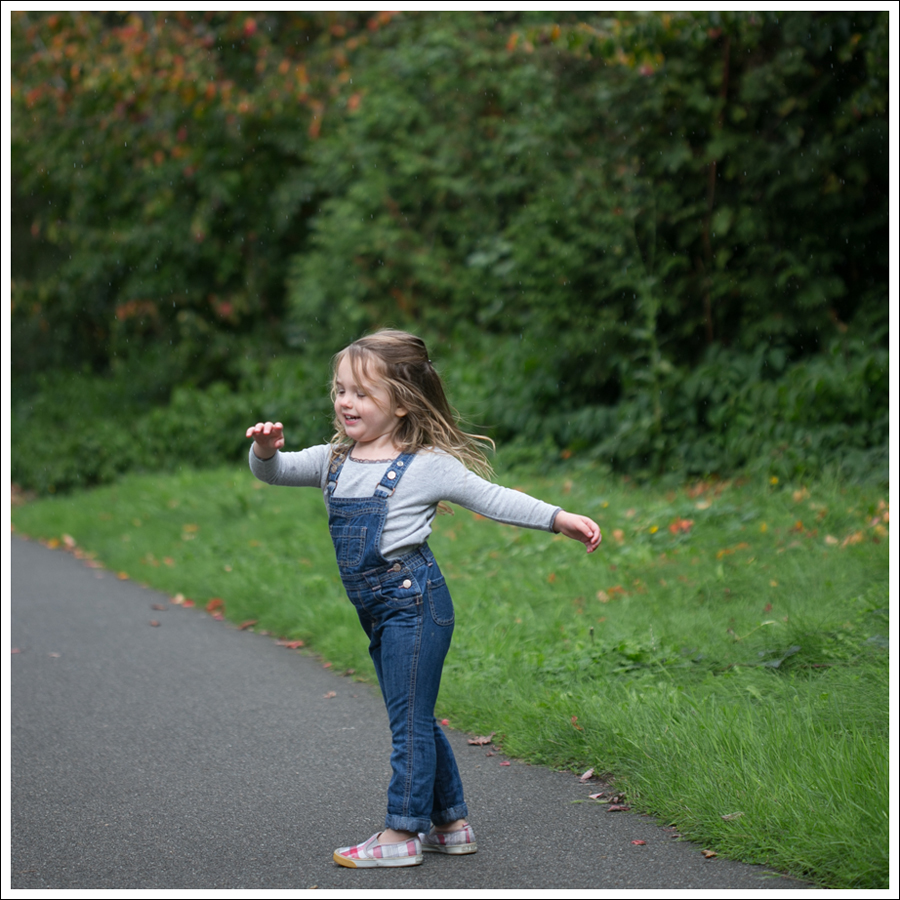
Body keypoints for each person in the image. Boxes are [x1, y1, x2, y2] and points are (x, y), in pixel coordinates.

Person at [246, 329, 601, 868]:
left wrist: (558, 519)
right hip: (378, 609)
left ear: (403, 402)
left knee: (408, 721)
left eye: (362, 393)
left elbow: (495, 498)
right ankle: (451, 825)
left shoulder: (425, 464)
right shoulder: (334, 459)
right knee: (414, 714)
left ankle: (401, 834)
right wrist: (265, 449)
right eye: (341, 390)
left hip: (415, 604)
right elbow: (275, 472)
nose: (346, 402)